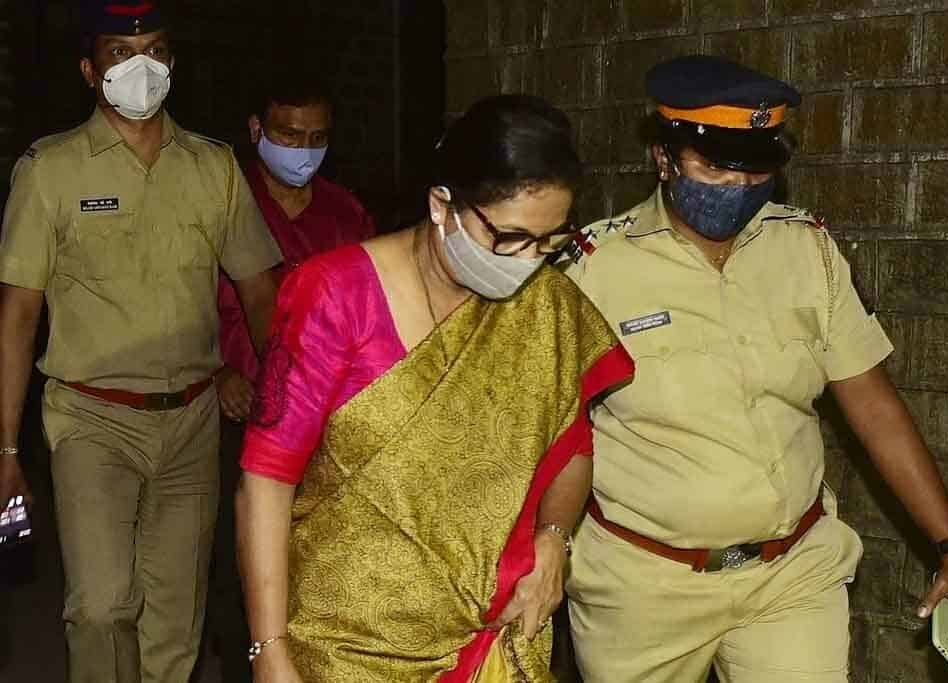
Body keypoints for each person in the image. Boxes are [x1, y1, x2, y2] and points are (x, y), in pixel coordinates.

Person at [563, 55, 948, 682]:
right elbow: (548, 434)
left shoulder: (806, 250)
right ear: (663, 158)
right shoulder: (593, 271)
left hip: (792, 572)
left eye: (755, 167)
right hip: (643, 587)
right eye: (714, 166)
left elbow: (872, 406)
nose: (736, 185)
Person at [236, 94, 633, 682]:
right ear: (442, 205)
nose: (529, 260)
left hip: (493, 639)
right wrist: (269, 648)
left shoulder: (547, 305)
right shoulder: (336, 295)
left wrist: (553, 540)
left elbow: (571, 446)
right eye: (510, 237)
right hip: (347, 643)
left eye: (550, 241)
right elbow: (266, 481)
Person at [0, 2, 281, 681]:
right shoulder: (50, 170)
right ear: (88, 69)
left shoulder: (213, 168)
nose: (141, 66)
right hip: (91, 420)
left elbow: (261, 295)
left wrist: (287, 407)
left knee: (174, 623)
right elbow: (18, 313)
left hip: (191, 421)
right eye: (121, 53)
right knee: (101, 607)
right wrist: (5, 450)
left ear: (173, 61)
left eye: (154, 49)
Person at [208, 67, 375, 682]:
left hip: (326, 424)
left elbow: (371, 314)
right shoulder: (223, 202)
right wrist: (218, 371)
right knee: (236, 572)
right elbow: (180, 306)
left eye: (317, 137)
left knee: (316, 569)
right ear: (256, 130)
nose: (303, 150)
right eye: (288, 134)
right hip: (237, 415)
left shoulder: (345, 214)